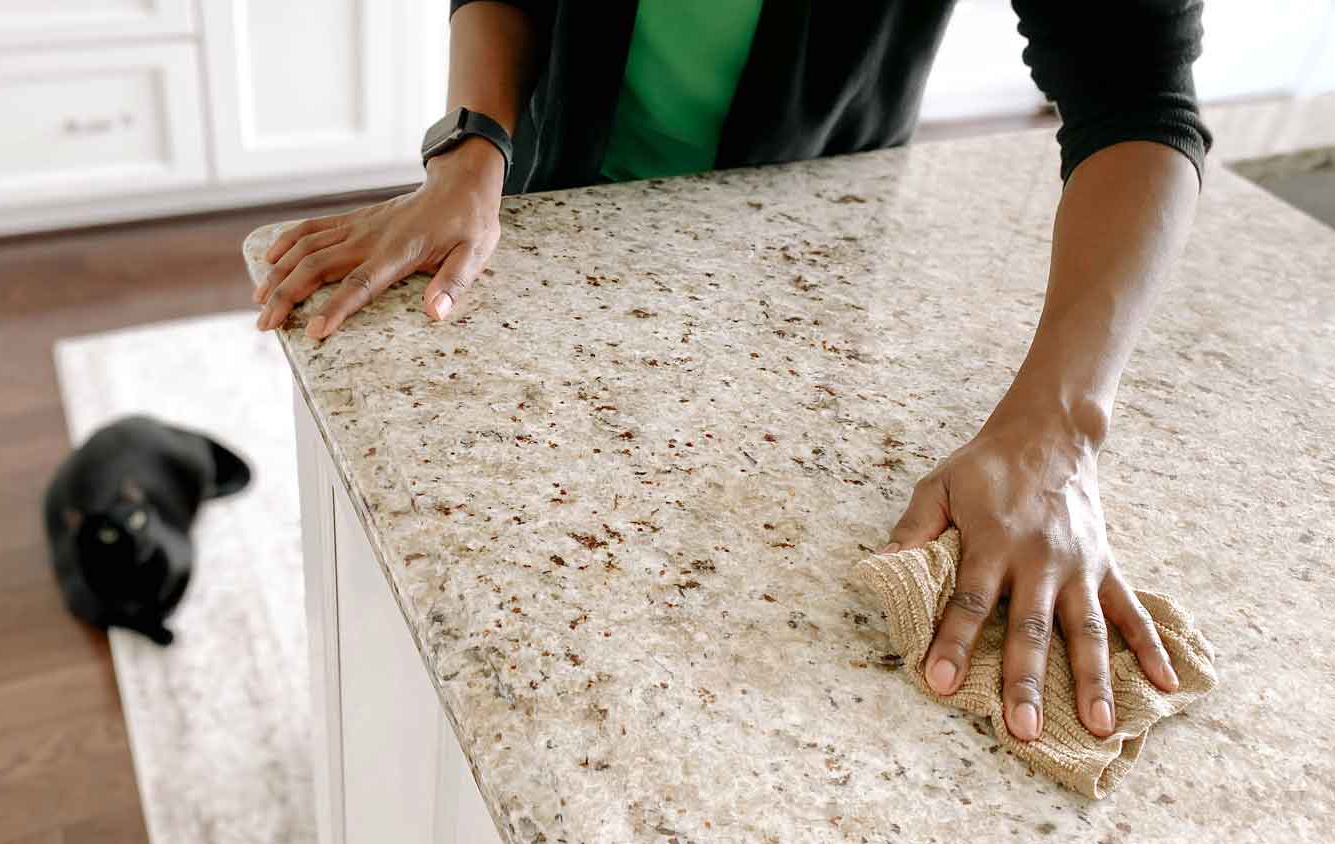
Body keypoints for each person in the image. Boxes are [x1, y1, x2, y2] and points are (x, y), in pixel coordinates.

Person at [254, 1, 1207, 745]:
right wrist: (472, 143)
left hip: (806, 242)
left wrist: (1062, 425)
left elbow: (1137, 94)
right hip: (555, 208)